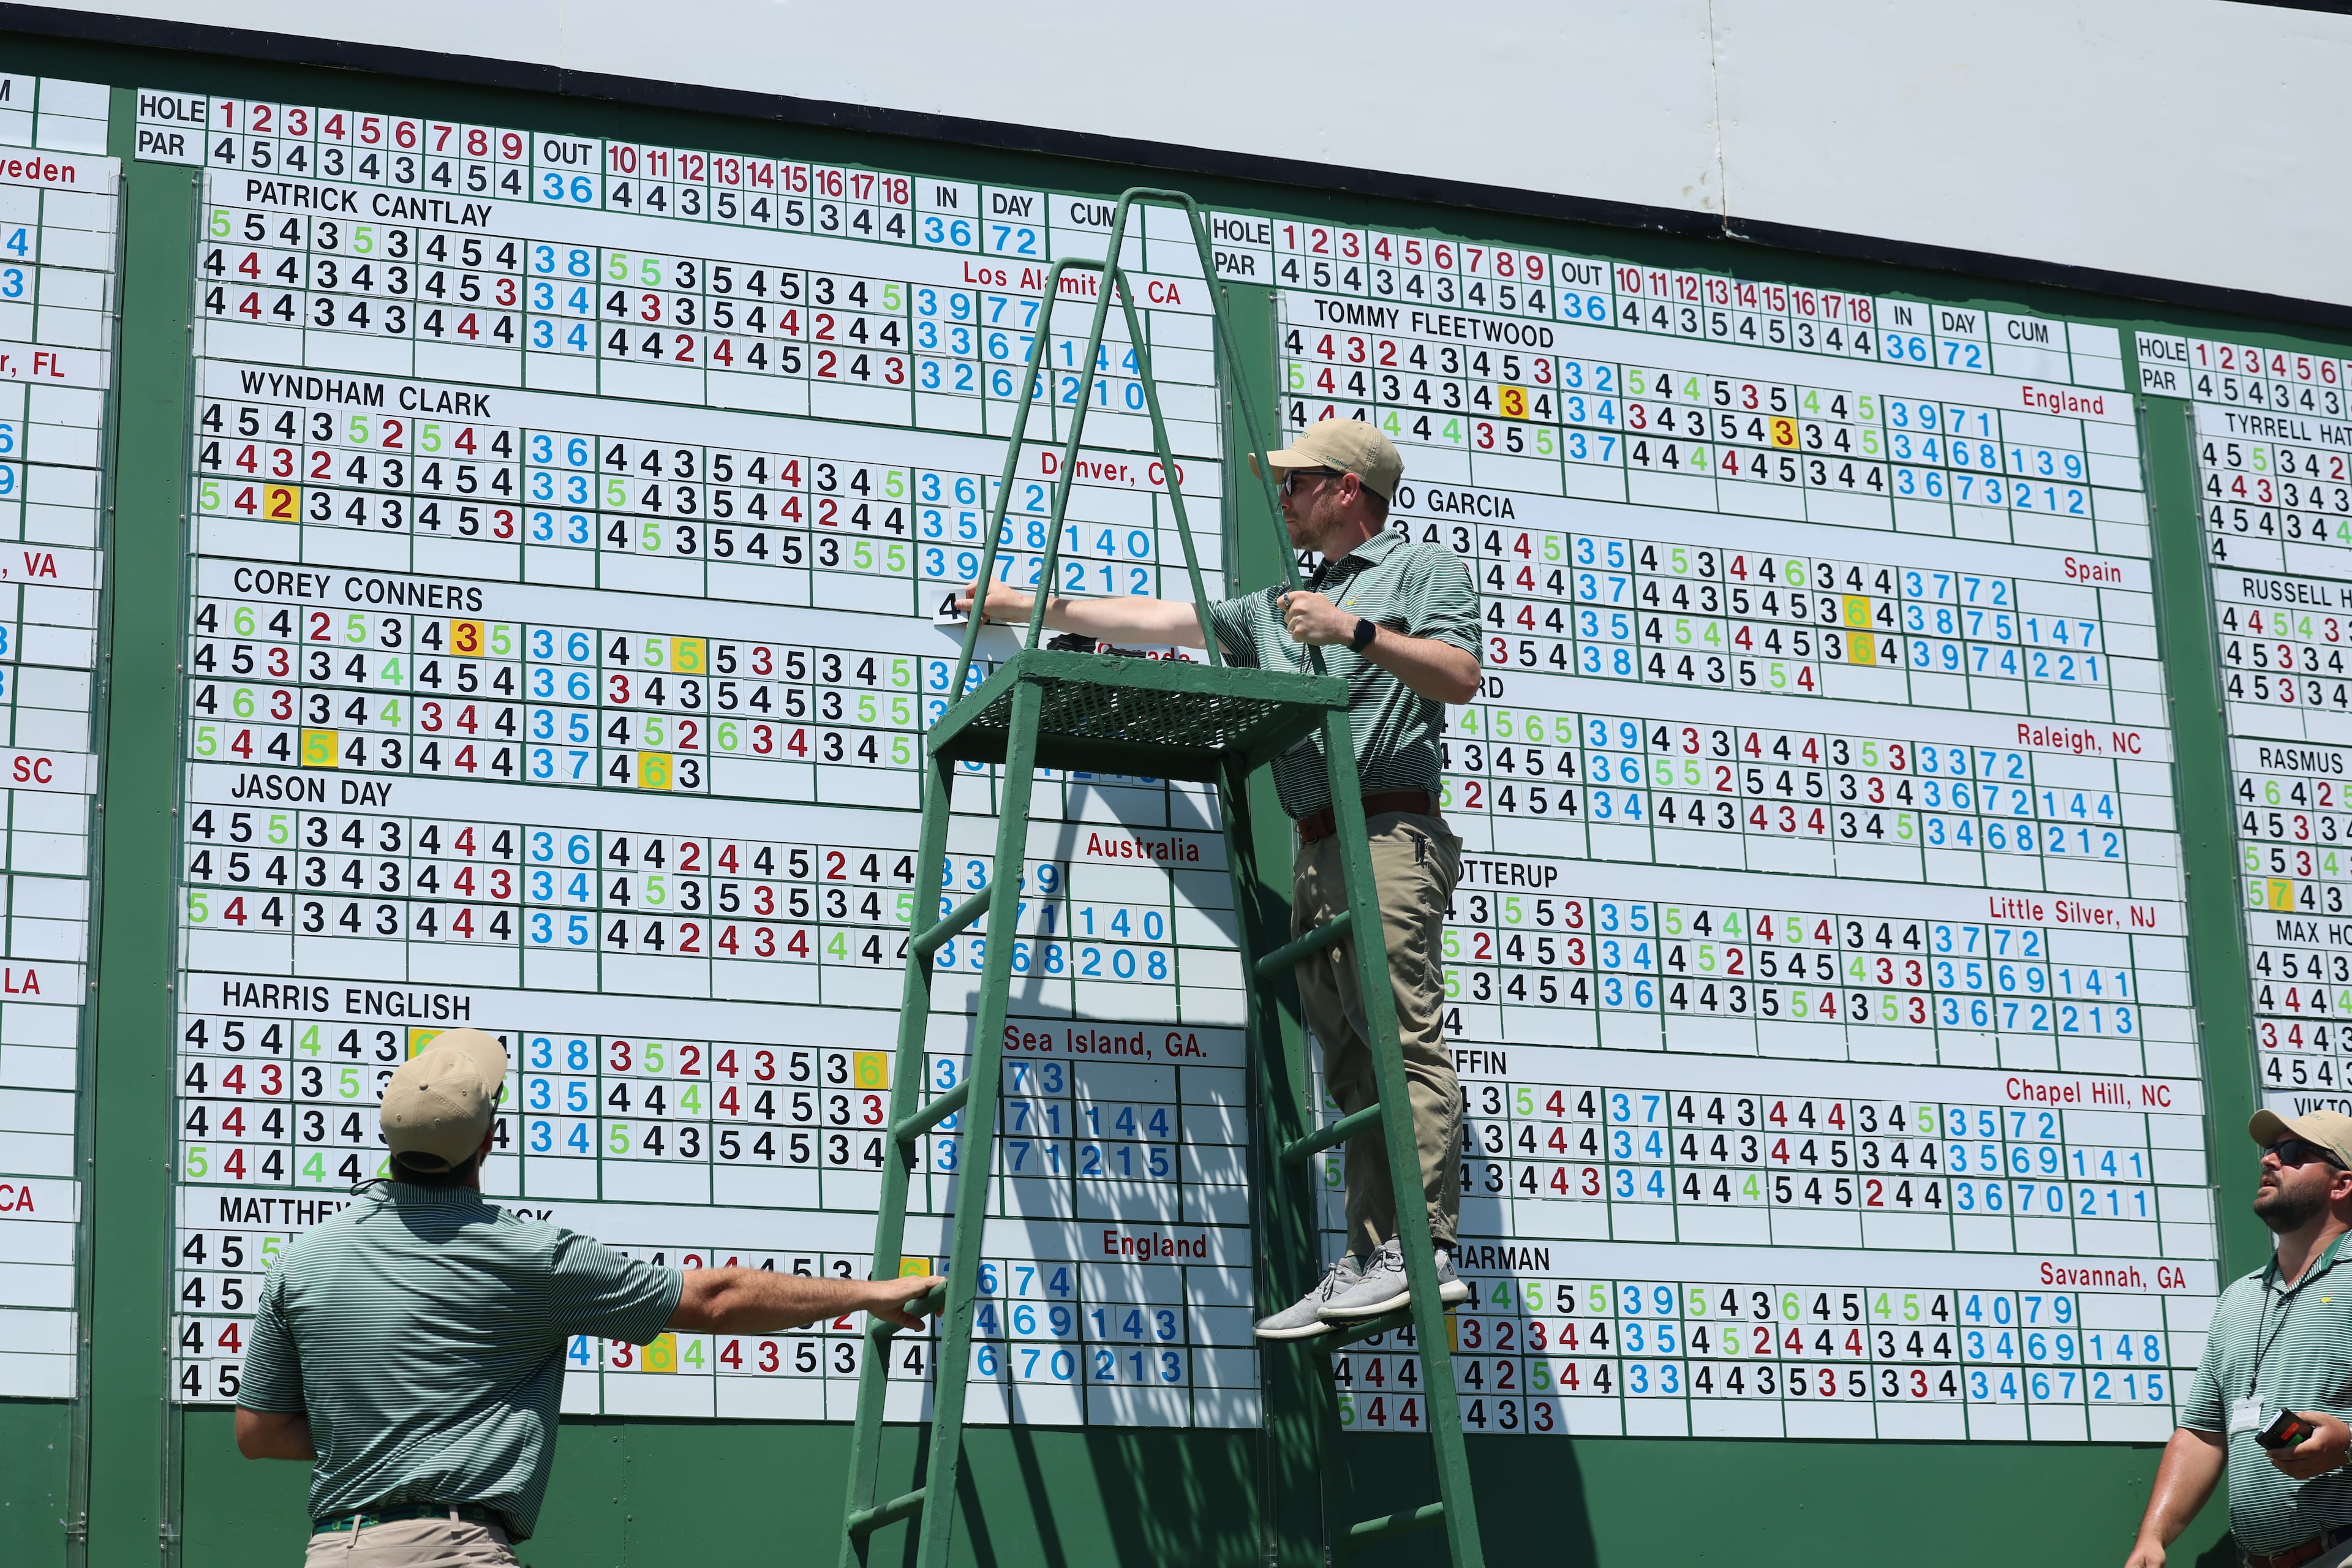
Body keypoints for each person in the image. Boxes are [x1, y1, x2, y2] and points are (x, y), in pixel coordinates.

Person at [957, 417, 1479, 1336]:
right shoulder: (1279, 603)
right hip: (1316, 845)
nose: (1282, 499)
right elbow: (1164, 621)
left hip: (1392, 828)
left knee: (1400, 1037)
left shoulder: (1418, 569)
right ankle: (1368, 1254)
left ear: (1345, 489)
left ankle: (1419, 1247)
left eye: (1295, 482)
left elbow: (1459, 675)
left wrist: (1353, 628)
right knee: (1351, 1062)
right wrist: (1020, 604)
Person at [234, 1028, 944, 1566]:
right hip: (452, 1548)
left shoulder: (303, 1259)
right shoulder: (528, 1255)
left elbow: (259, 1433)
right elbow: (718, 1299)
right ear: (489, 1142)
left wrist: (383, 1440)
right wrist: (865, 1292)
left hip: (334, 1553)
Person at [2127, 1110, 2352, 1568]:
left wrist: (2348, 1443)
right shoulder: (2239, 1298)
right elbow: (2202, 1436)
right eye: (2268, 1150)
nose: (2269, 1160)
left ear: (2342, 1184)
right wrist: (2153, 1538)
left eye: (2291, 1153)